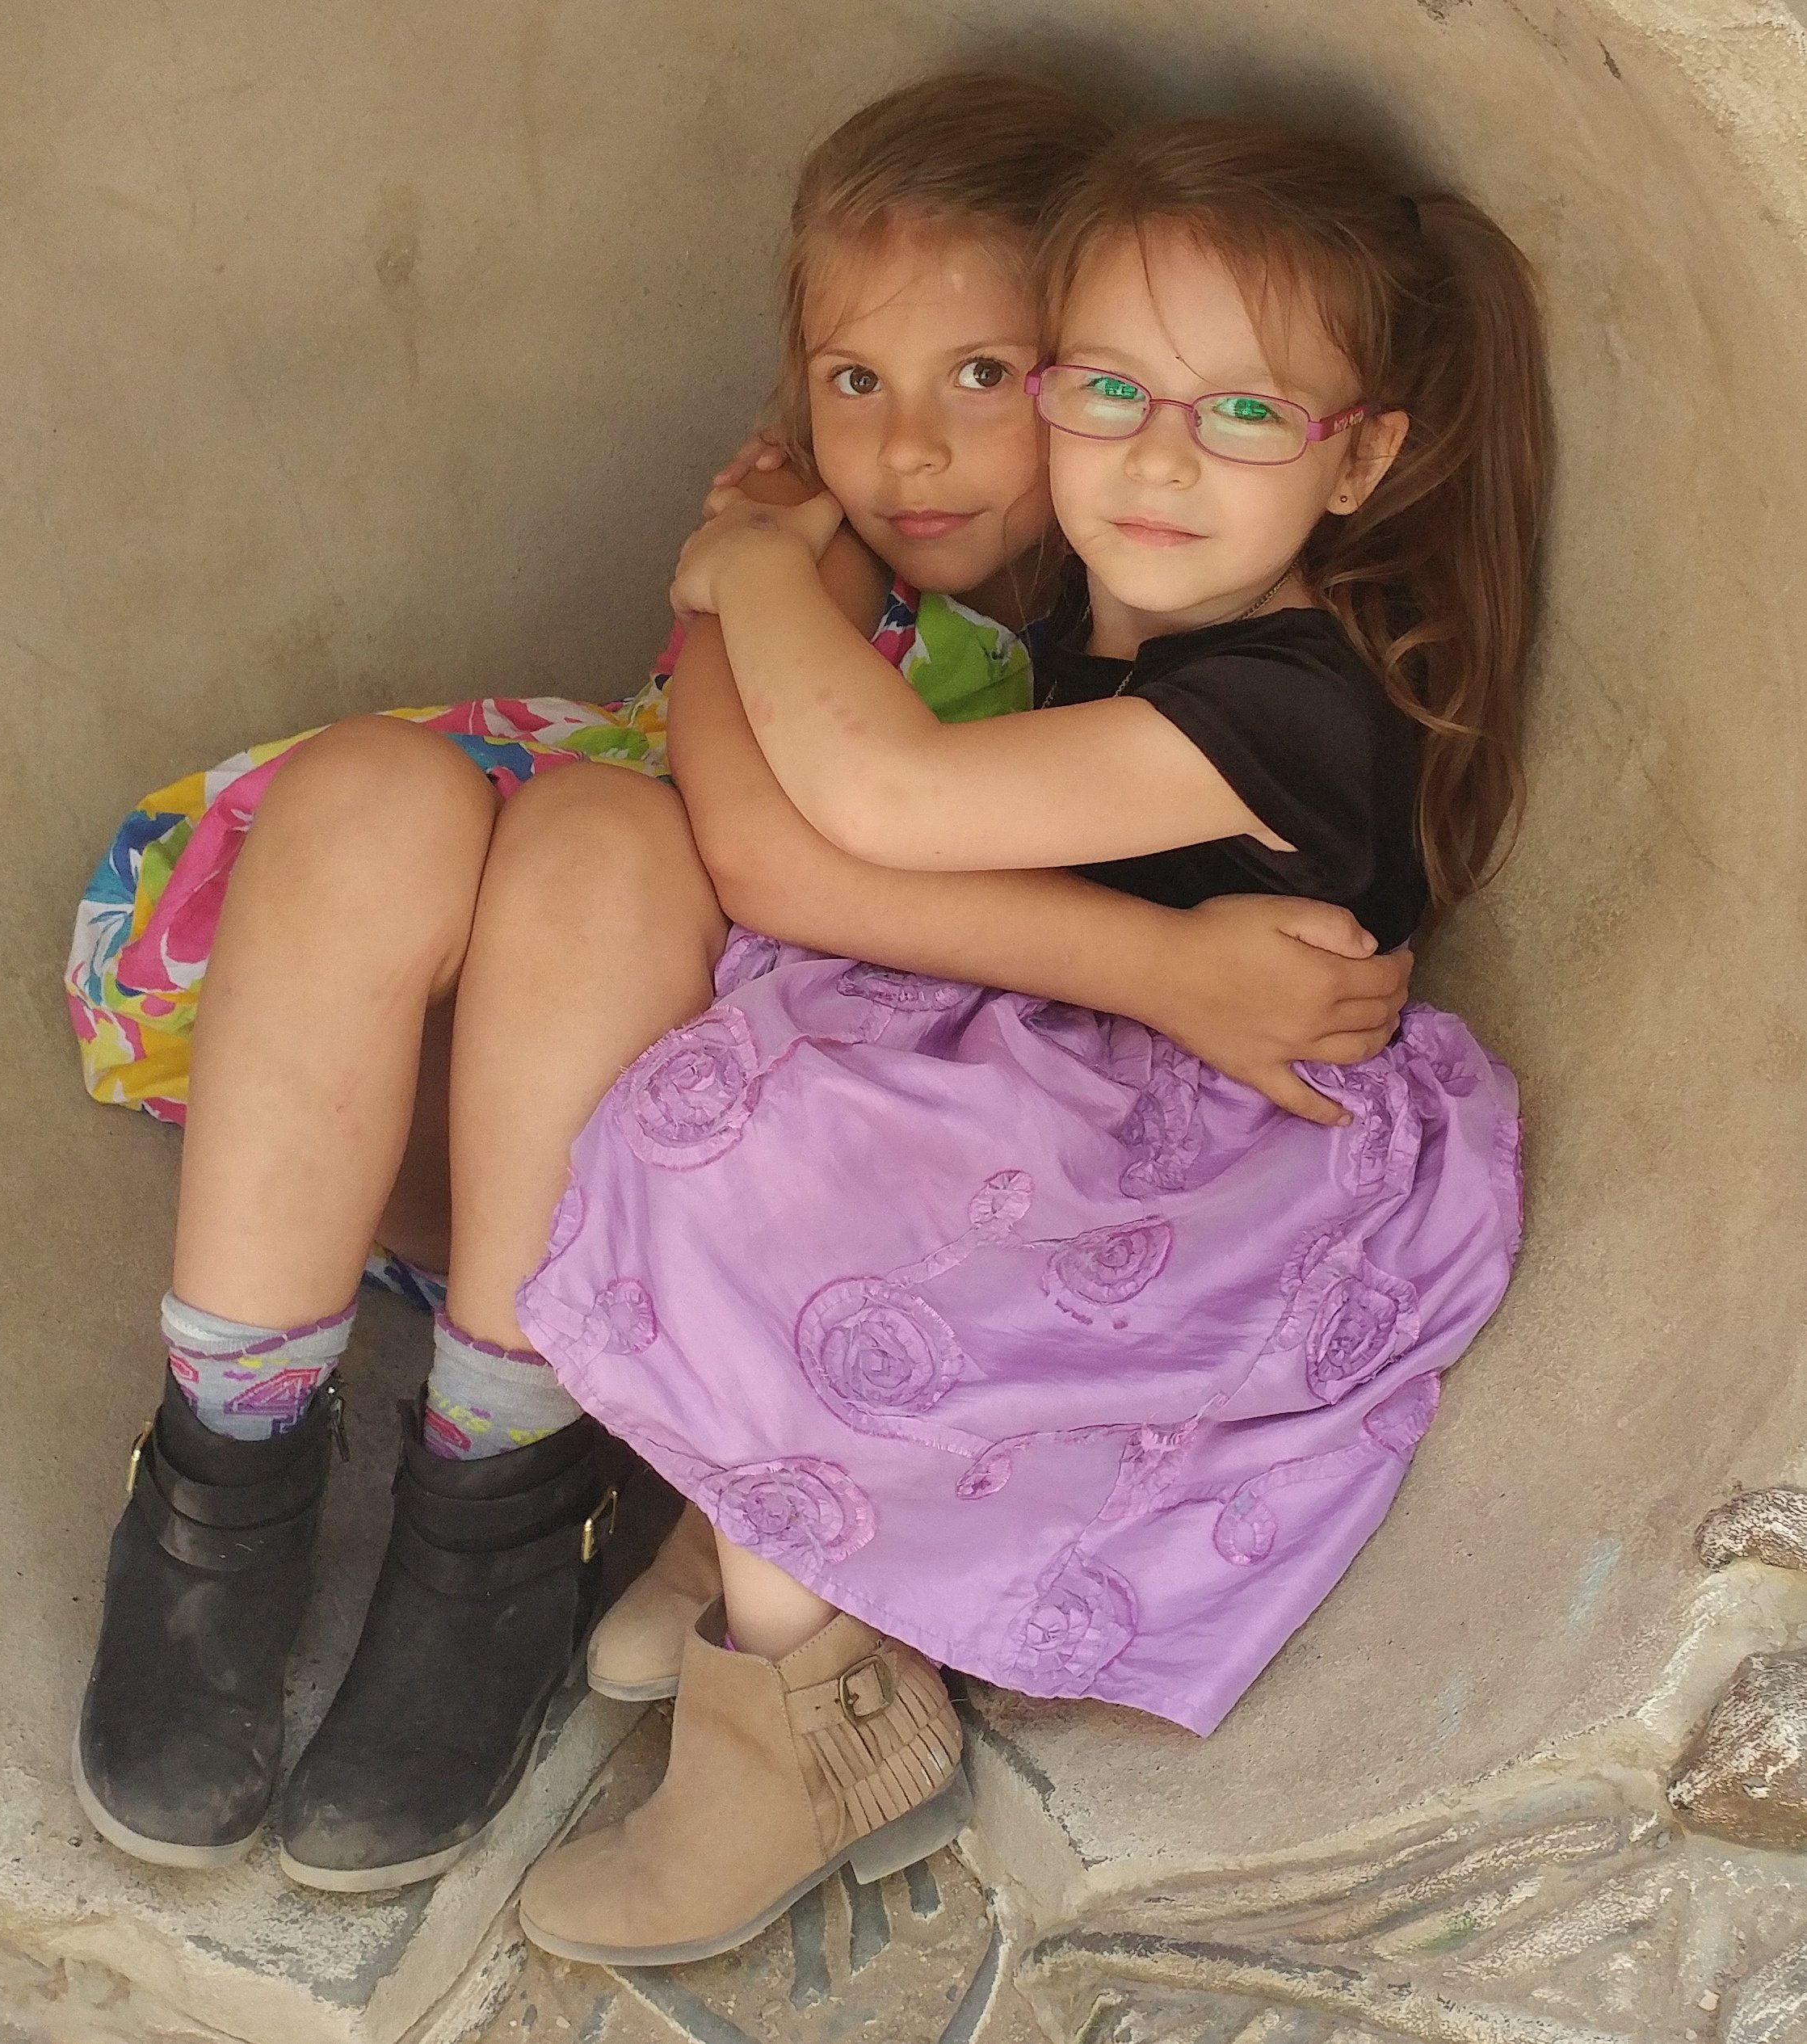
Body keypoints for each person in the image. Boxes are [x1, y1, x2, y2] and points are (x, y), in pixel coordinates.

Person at [65, 74, 1414, 1889]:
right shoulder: (822, 558)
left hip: (657, 1173)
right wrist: (759, 571)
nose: (911, 448)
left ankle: (496, 1503)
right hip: (476, 1084)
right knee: (378, 792)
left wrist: (750, 581)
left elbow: (773, 848)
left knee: (602, 842)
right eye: (856, 380)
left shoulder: (1112, 646)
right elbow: (756, 829)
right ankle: (220, 1469)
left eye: (986, 375)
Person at [515, 114, 1545, 1966]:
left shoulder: (1294, 705)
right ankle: (768, 1511)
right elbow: (809, 849)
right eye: (1109, 388)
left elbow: (876, 801)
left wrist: (749, 572)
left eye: (1244, 413)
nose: (1156, 457)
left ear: (1360, 457)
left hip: (1222, 1173)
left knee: (764, 1146)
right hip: (1095, 1086)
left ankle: (805, 1721)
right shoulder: (1098, 621)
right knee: (780, 1069)